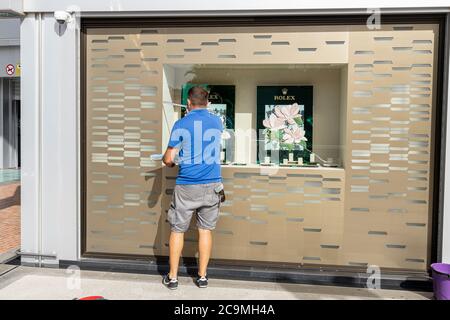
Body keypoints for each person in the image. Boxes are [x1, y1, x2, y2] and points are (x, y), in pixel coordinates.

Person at [162, 86, 223, 290]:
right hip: (213, 184)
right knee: (205, 230)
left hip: (187, 184)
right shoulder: (217, 121)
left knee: (178, 230)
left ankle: (172, 278)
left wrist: (171, 161)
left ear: (188, 102)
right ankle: (203, 277)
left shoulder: (182, 123)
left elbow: (168, 158)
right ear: (207, 102)